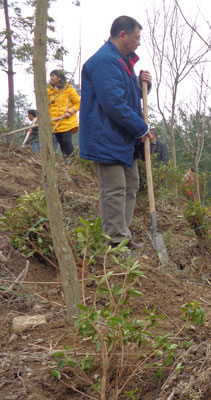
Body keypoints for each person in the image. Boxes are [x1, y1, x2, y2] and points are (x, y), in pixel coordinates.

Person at [79, 16, 155, 249]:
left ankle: (123, 234)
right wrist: (142, 128)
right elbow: (114, 103)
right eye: (136, 37)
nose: (138, 43)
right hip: (105, 137)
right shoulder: (105, 61)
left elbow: (129, 97)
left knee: (131, 184)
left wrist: (144, 85)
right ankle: (114, 241)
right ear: (122, 35)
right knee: (114, 188)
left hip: (122, 139)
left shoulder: (121, 62)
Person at [47, 69, 80, 157]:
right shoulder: (49, 92)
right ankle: (66, 162)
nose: (51, 78)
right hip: (55, 123)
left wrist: (70, 112)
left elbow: (78, 103)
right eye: (51, 76)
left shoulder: (69, 90)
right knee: (61, 143)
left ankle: (72, 162)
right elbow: (47, 107)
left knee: (66, 142)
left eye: (53, 76)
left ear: (59, 77)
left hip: (67, 121)